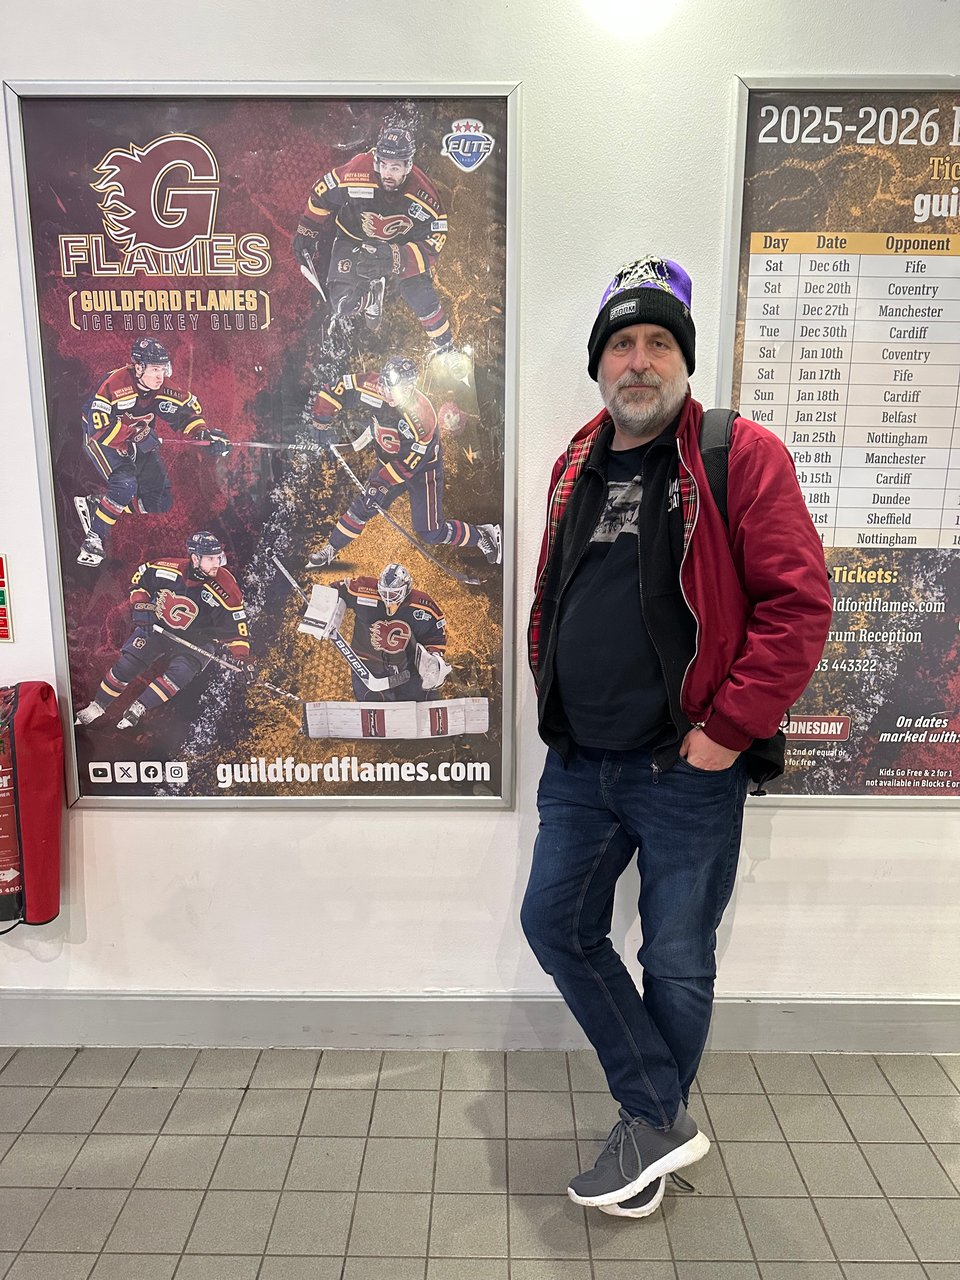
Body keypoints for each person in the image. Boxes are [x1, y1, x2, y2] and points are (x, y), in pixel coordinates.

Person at [521, 257, 832, 1219]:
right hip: (581, 759)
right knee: (555, 923)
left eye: (660, 343)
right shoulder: (577, 461)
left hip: (685, 766)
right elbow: (557, 594)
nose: (641, 361)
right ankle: (659, 1118)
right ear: (600, 366)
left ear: (684, 362)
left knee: (678, 957)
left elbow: (799, 606)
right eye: (624, 343)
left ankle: (645, 1131)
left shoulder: (740, 454)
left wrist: (728, 731)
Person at [306, 355, 500, 568]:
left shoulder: (423, 417)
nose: (390, 395)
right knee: (363, 507)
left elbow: (410, 464)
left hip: (423, 472)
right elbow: (335, 388)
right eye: (387, 387)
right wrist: (321, 422)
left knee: (430, 532)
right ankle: (332, 548)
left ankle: (482, 535)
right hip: (387, 461)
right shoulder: (372, 385)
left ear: (411, 388)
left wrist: (380, 484)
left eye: (400, 390)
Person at [293, 126, 452, 350]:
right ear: (376, 159)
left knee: (419, 295)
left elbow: (437, 236)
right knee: (342, 305)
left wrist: (397, 258)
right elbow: (321, 193)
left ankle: (446, 347)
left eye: (395, 167)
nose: (387, 173)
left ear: (408, 165)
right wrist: (307, 231)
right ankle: (372, 297)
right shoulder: (357, 171)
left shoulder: (424, 196)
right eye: (383, 164)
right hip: (353, 238)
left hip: (401, 246)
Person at [75, 339, 231, 567]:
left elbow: (186, 414)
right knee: (125, 484)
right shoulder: (115, 384)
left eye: (163, 368)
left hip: (139, 439)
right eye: (155, 369)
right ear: (138, 367)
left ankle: (101, 505)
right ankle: (94, 538)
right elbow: (98, 427)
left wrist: (205, 435)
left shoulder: (162, 387)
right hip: (103, 439)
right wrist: (133, 436)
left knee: (160, 500)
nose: (161, 376)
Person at [74, 531, 251, 731]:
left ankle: (139, 707)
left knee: (180, 674)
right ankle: (98, 706)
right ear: (195, 558)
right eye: (210, 558)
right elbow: (140, 579)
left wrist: (242, 657)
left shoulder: (227, 588)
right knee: (126, 666)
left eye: (218, 557)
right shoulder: (167, 568)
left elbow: (237, 628)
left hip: (197, 641)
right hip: (159, 627)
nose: (216, 563)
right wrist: (142, 606)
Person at [302, 562, 451, 703]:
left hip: (408, 670)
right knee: (373, 712)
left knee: (418, 705)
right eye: (383, 592)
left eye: (392, 594)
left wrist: (434, 656)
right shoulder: (365, 589)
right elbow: (337, 588)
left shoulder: (424, 605)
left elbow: (436, 635)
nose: (387, 598)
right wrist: (322, 614)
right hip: (366, 665)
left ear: (407, 588)